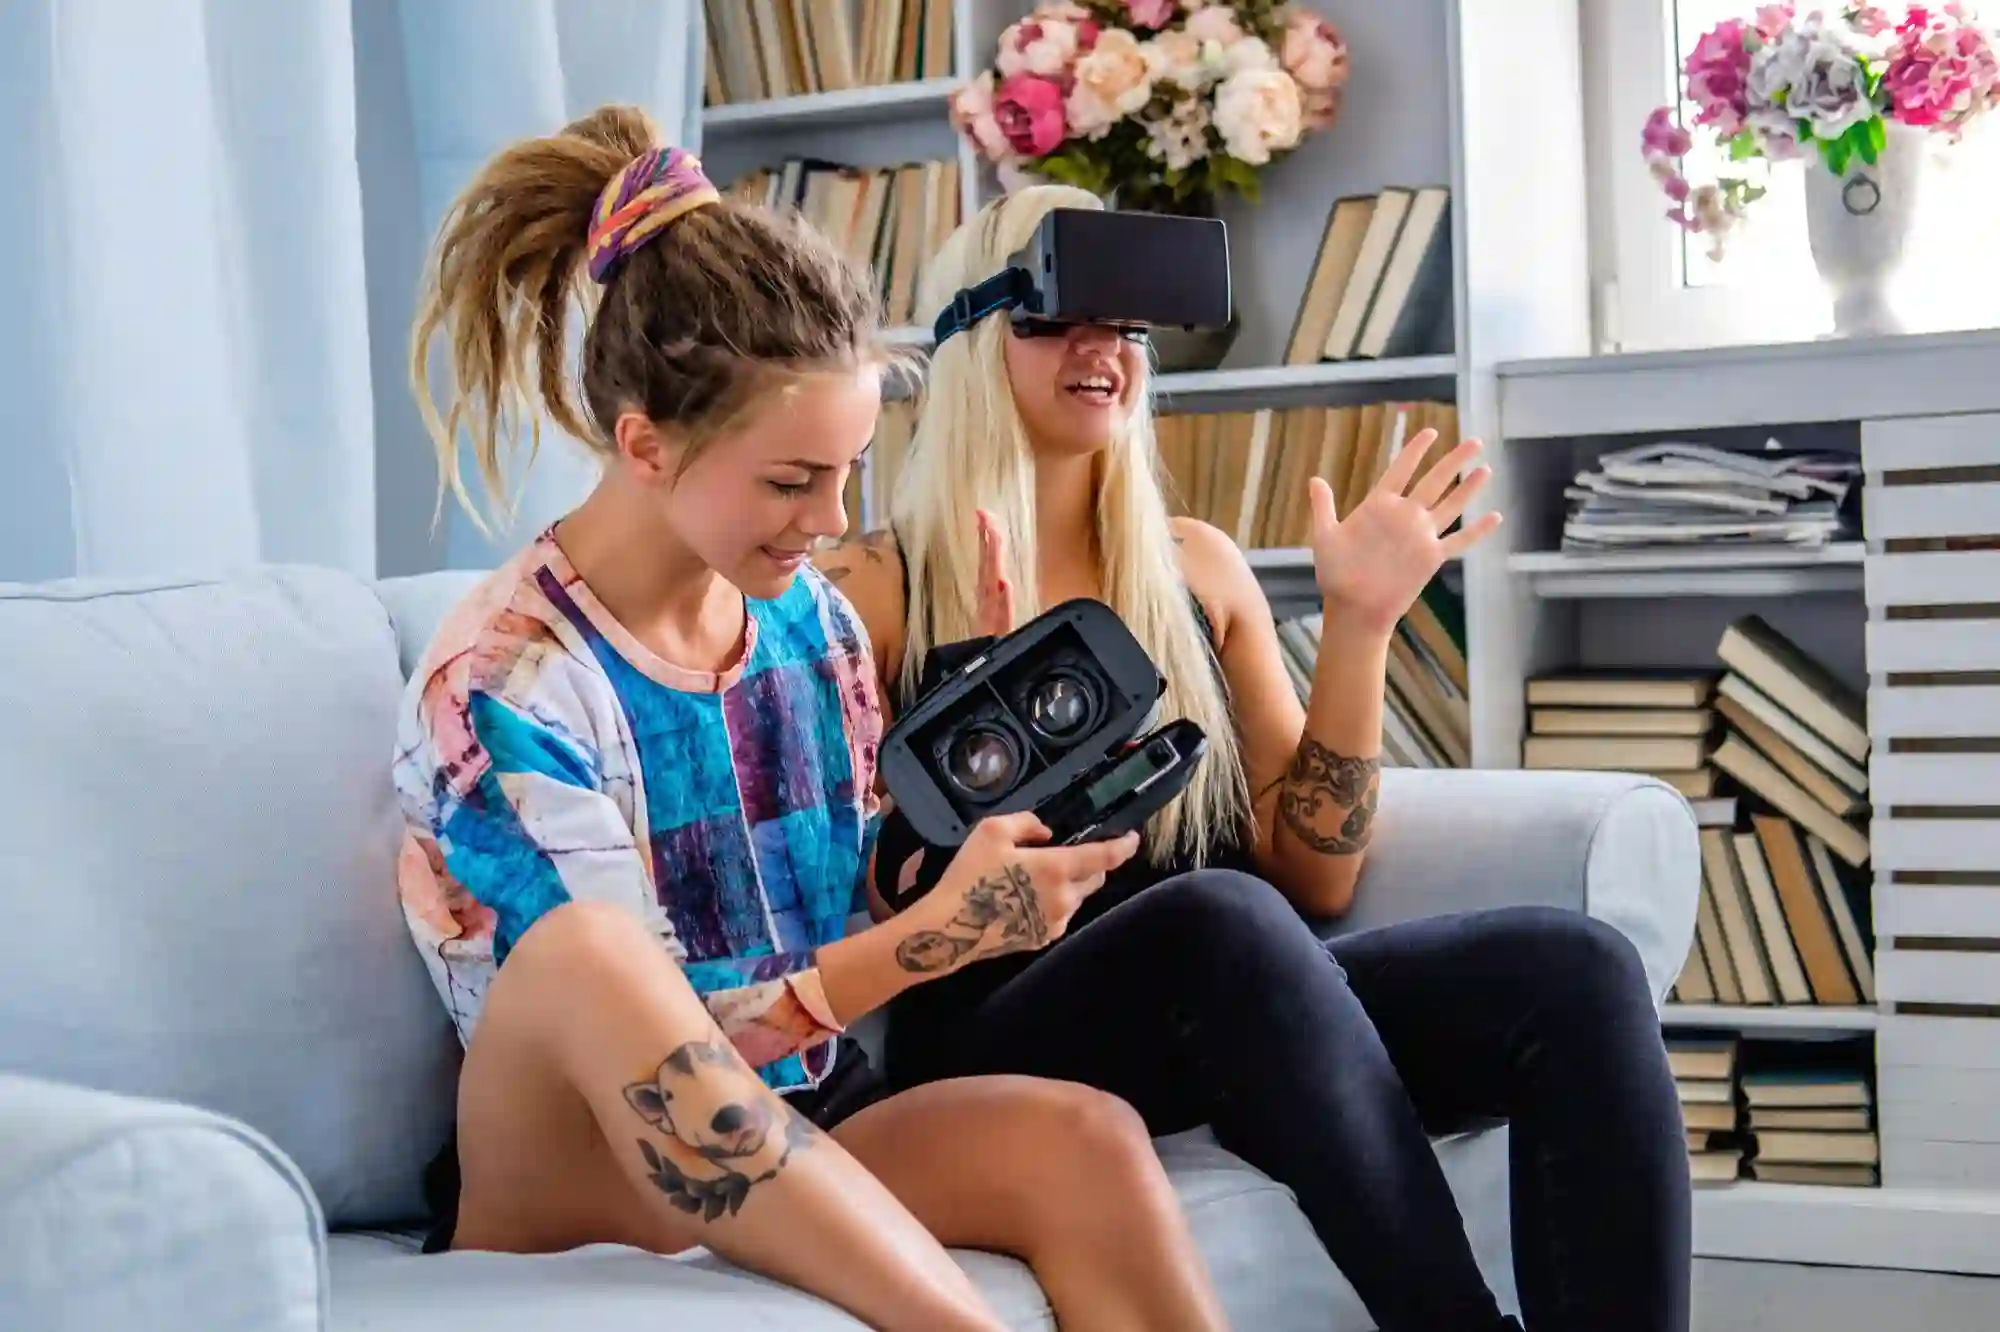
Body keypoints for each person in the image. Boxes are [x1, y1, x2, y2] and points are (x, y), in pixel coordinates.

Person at [390, 110, 1235, 1332]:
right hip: (582, 1164)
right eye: (791, 481)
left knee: (1080, 1140)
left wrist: (975, 813)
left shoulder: (810, 623)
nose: (831, 520)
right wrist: (936, 939)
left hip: (801, 1115)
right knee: (591, 956)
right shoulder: (503, 685)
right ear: (645, 445)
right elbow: (654, 1053)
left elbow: (845, 891)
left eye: (847, 472)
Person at [817, 184, 1693, 1332]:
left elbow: (1315, 874)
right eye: (1057, 318)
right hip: (996, 1032)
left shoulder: (1196, 568)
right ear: (977, 340)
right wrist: (974, 736)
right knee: (1216, 919)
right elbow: (849, 891)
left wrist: (1360, 626)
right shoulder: (872, 589)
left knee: (1574, 968)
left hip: (1234, 1005)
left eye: (1126, 324)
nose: (1100, 349)